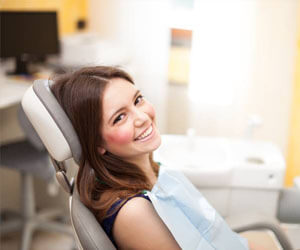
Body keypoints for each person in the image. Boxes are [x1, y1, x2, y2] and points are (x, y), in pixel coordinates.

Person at [50, 66, 265, 250]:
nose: (142, 117)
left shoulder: (152, 171)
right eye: (119, 117)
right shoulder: (133, 212)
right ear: (97, 144)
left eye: (138, 100)